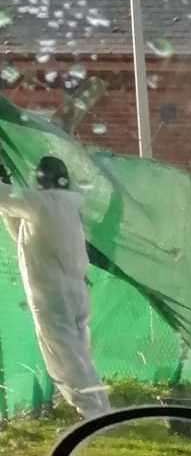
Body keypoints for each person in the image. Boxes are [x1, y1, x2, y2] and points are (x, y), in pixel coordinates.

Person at [0, 156, 111, 419]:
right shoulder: (67, 205)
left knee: (66, 357)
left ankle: (95, 414)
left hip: (52, 294)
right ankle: (99, 407)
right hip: (74, 291)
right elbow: (21, 231)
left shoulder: (42, 203)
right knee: (78, 355)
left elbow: (6, 199)